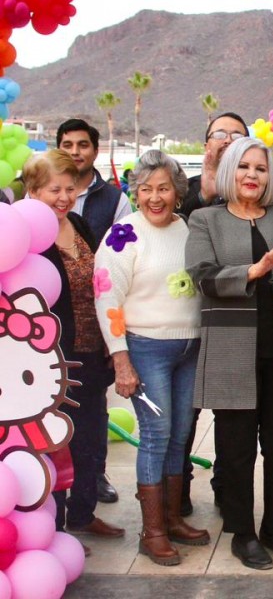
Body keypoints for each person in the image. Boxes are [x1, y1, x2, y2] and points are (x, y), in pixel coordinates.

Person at [185, 137, 273, 570]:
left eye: (260, 169)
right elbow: (202, 277)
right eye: (243, 167)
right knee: (237, 449)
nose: (252, 175)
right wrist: (254, 271)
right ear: (230, 172)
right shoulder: (205, 219)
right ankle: (243, 533)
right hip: (231, 352)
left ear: (269, 176)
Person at [94, 150, 210, 566]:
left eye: (163, 188)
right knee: (157, 435)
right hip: (146, 350)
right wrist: (121, 359)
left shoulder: (190, 229)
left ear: (178, 192)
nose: (155, 197)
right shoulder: (122, 235)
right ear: (135, 192)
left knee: (181, 435)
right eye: (146, 189)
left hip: (189, 346)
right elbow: (107, 298)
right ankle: (153, 532)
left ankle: (174, 518)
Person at [29, 150, 125, 553]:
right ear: (32, 190)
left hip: (89, 351)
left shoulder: (80, 223)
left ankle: (83, 514)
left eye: (70, 188)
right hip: (47, 362)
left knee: (90, 439)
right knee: (54, 447)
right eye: (54, 189)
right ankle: (53, 527)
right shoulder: (28, 236)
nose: (64, 196)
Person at [57, 118, 133, 504]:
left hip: (95, 331)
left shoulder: (113, 200)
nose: (75, 151)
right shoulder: (33, 212)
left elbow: (119, 260)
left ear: (94, 150)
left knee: (92, 414)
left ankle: (92, 486)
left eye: (82, 144)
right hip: (51, 343)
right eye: (67, 144)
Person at [179, 111, 250, 516]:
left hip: (234, 324)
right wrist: (204, 192)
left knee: (232, 418)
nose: (225, 140)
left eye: (235, 135)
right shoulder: (184, 190)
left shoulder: (255, 191)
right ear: (206, 143)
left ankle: (228, 490)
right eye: (218, 134)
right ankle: (179, 490)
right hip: (185, 322)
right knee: (183, 415)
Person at [178, 112, 250, 218]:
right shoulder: (186, 188)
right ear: (206, 147)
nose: (228, 140)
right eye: (219, 135)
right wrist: (204, 196)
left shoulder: (259, 188)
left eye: (237, 136)